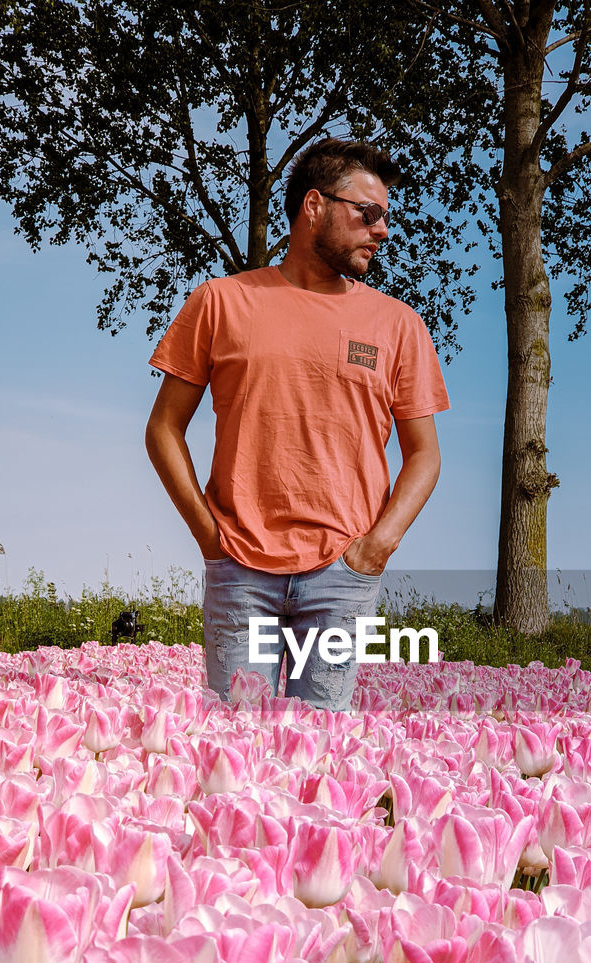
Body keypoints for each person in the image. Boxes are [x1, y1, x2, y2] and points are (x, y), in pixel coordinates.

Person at [144, 138, 449, 711]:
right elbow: (163, 427)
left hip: (342, 575)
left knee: (322, 760)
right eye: (369, 212)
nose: (382, 230)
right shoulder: (220, 302)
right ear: (314, 206)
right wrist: (211, 539)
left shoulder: (400, 326)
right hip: (240, 570)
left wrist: (377, 546)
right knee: (236, 755)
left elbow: (425, 454)